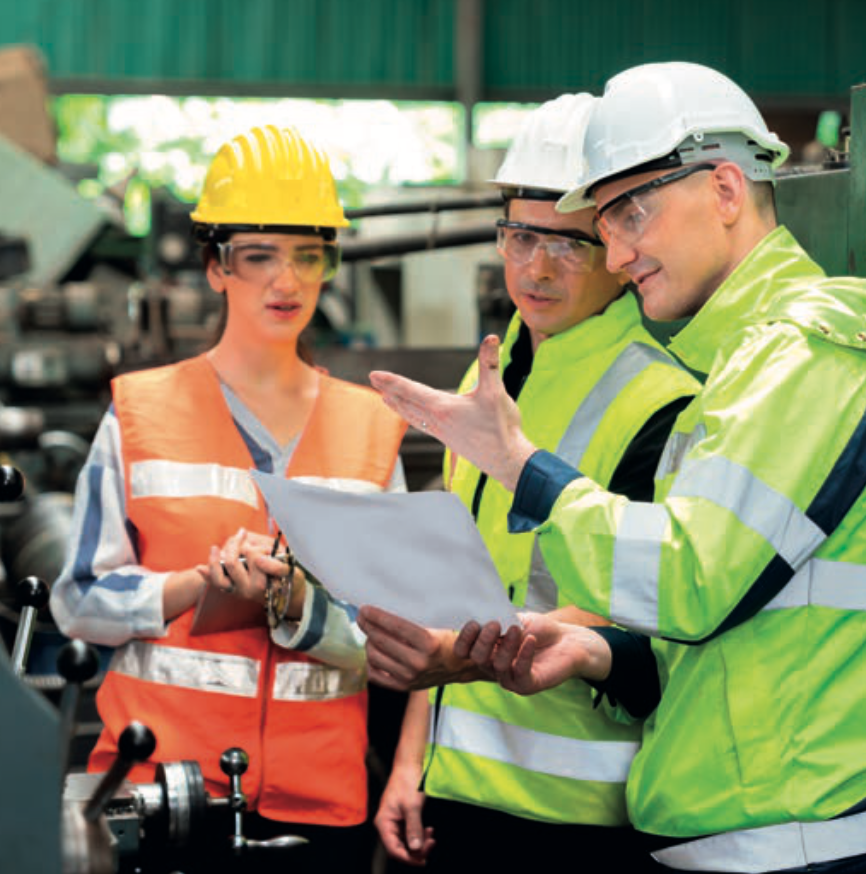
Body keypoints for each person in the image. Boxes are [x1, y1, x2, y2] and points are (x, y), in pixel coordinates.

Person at [368, 61, 866, 874]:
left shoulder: (799, 352)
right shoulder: (738, 369)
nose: (618, 251)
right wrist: (591, 651)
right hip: (744, 830)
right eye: (605, 222)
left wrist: (523, 468)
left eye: (631, 213)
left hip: (793, 840)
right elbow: (717, 626)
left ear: (727, 190)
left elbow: (688, 582)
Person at [50, 125, 407, 873]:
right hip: (162, 797)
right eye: (259, 256)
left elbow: (398, 636)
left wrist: (301, 609)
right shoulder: (140, 414)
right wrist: (193, 586)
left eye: (308, 255)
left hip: (319, 812)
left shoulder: (374, 429)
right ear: (216, 266)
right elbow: (77, 598)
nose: (287, 281)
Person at [359, 94, 697, 871]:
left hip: (579, 812)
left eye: (570, 244)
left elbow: (655, 602)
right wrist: (411, 762)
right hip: (458, 793)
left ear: (619, 247)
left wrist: (458, 653)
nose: (537, 268)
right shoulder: (491, 377)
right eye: (520, 236)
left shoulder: (664, 400)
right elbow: (447, 586)